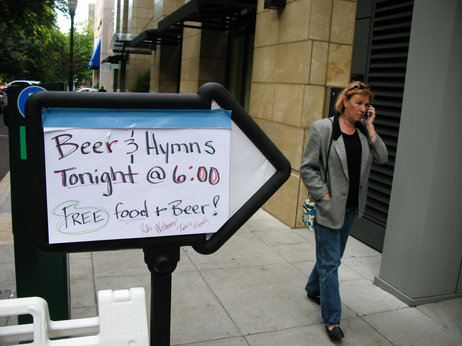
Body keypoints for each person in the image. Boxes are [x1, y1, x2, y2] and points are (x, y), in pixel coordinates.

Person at [300, 81, 388, 341]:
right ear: (345, 102)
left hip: (350, 208)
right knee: (330, 264)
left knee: (331, 259)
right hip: (329, 207)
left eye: (366, 104)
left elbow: (382, 157)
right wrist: (324, 196)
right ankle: (332, 319)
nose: (363, 109)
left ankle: (312, 288)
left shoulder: (363, 132)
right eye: (359, 103)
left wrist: (371, 126)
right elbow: (308, 168)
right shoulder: (324, 129)